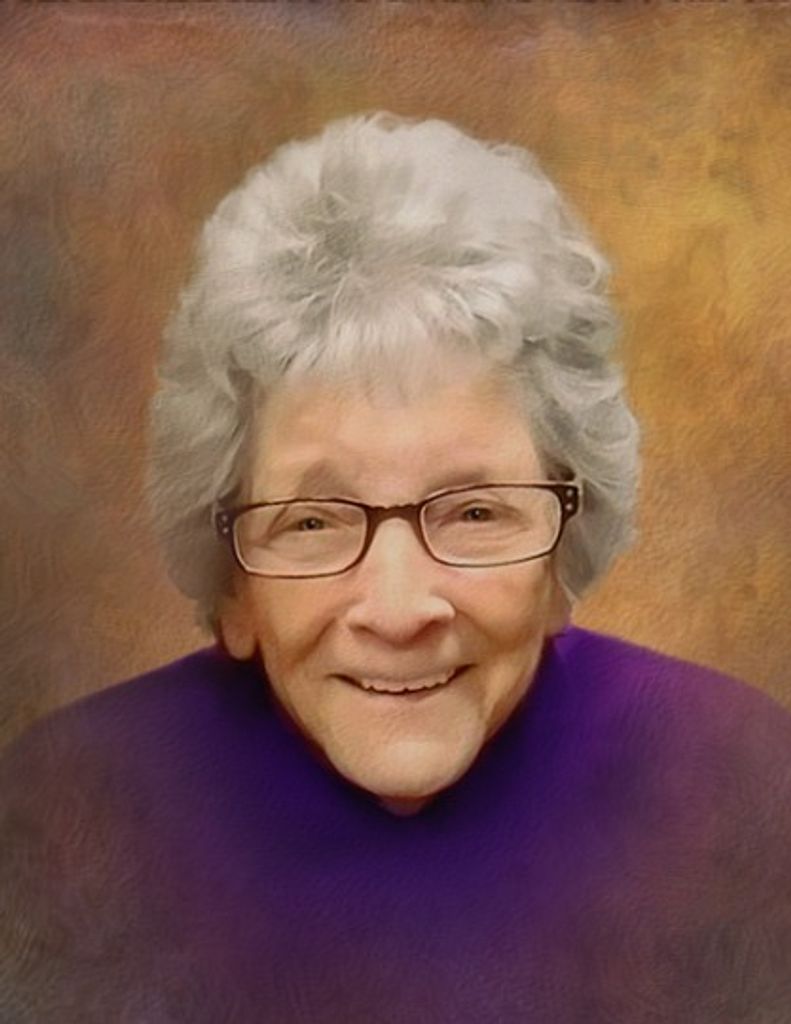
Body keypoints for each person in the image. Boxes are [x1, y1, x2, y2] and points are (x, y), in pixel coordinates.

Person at [1, 111, 790, 1023]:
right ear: (234, 588)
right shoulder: (72, 809)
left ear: (562, 555)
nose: (399, 608)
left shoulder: (739, 785)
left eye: (475, 512)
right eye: (312, 522)